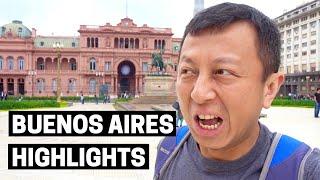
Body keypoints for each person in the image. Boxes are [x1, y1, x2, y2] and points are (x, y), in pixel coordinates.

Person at [154, 3, 320, 180]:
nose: (199, 93)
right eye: (187, 71)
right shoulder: (169, 149)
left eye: (223, 72)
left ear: (269, 88)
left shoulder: (304, 170)